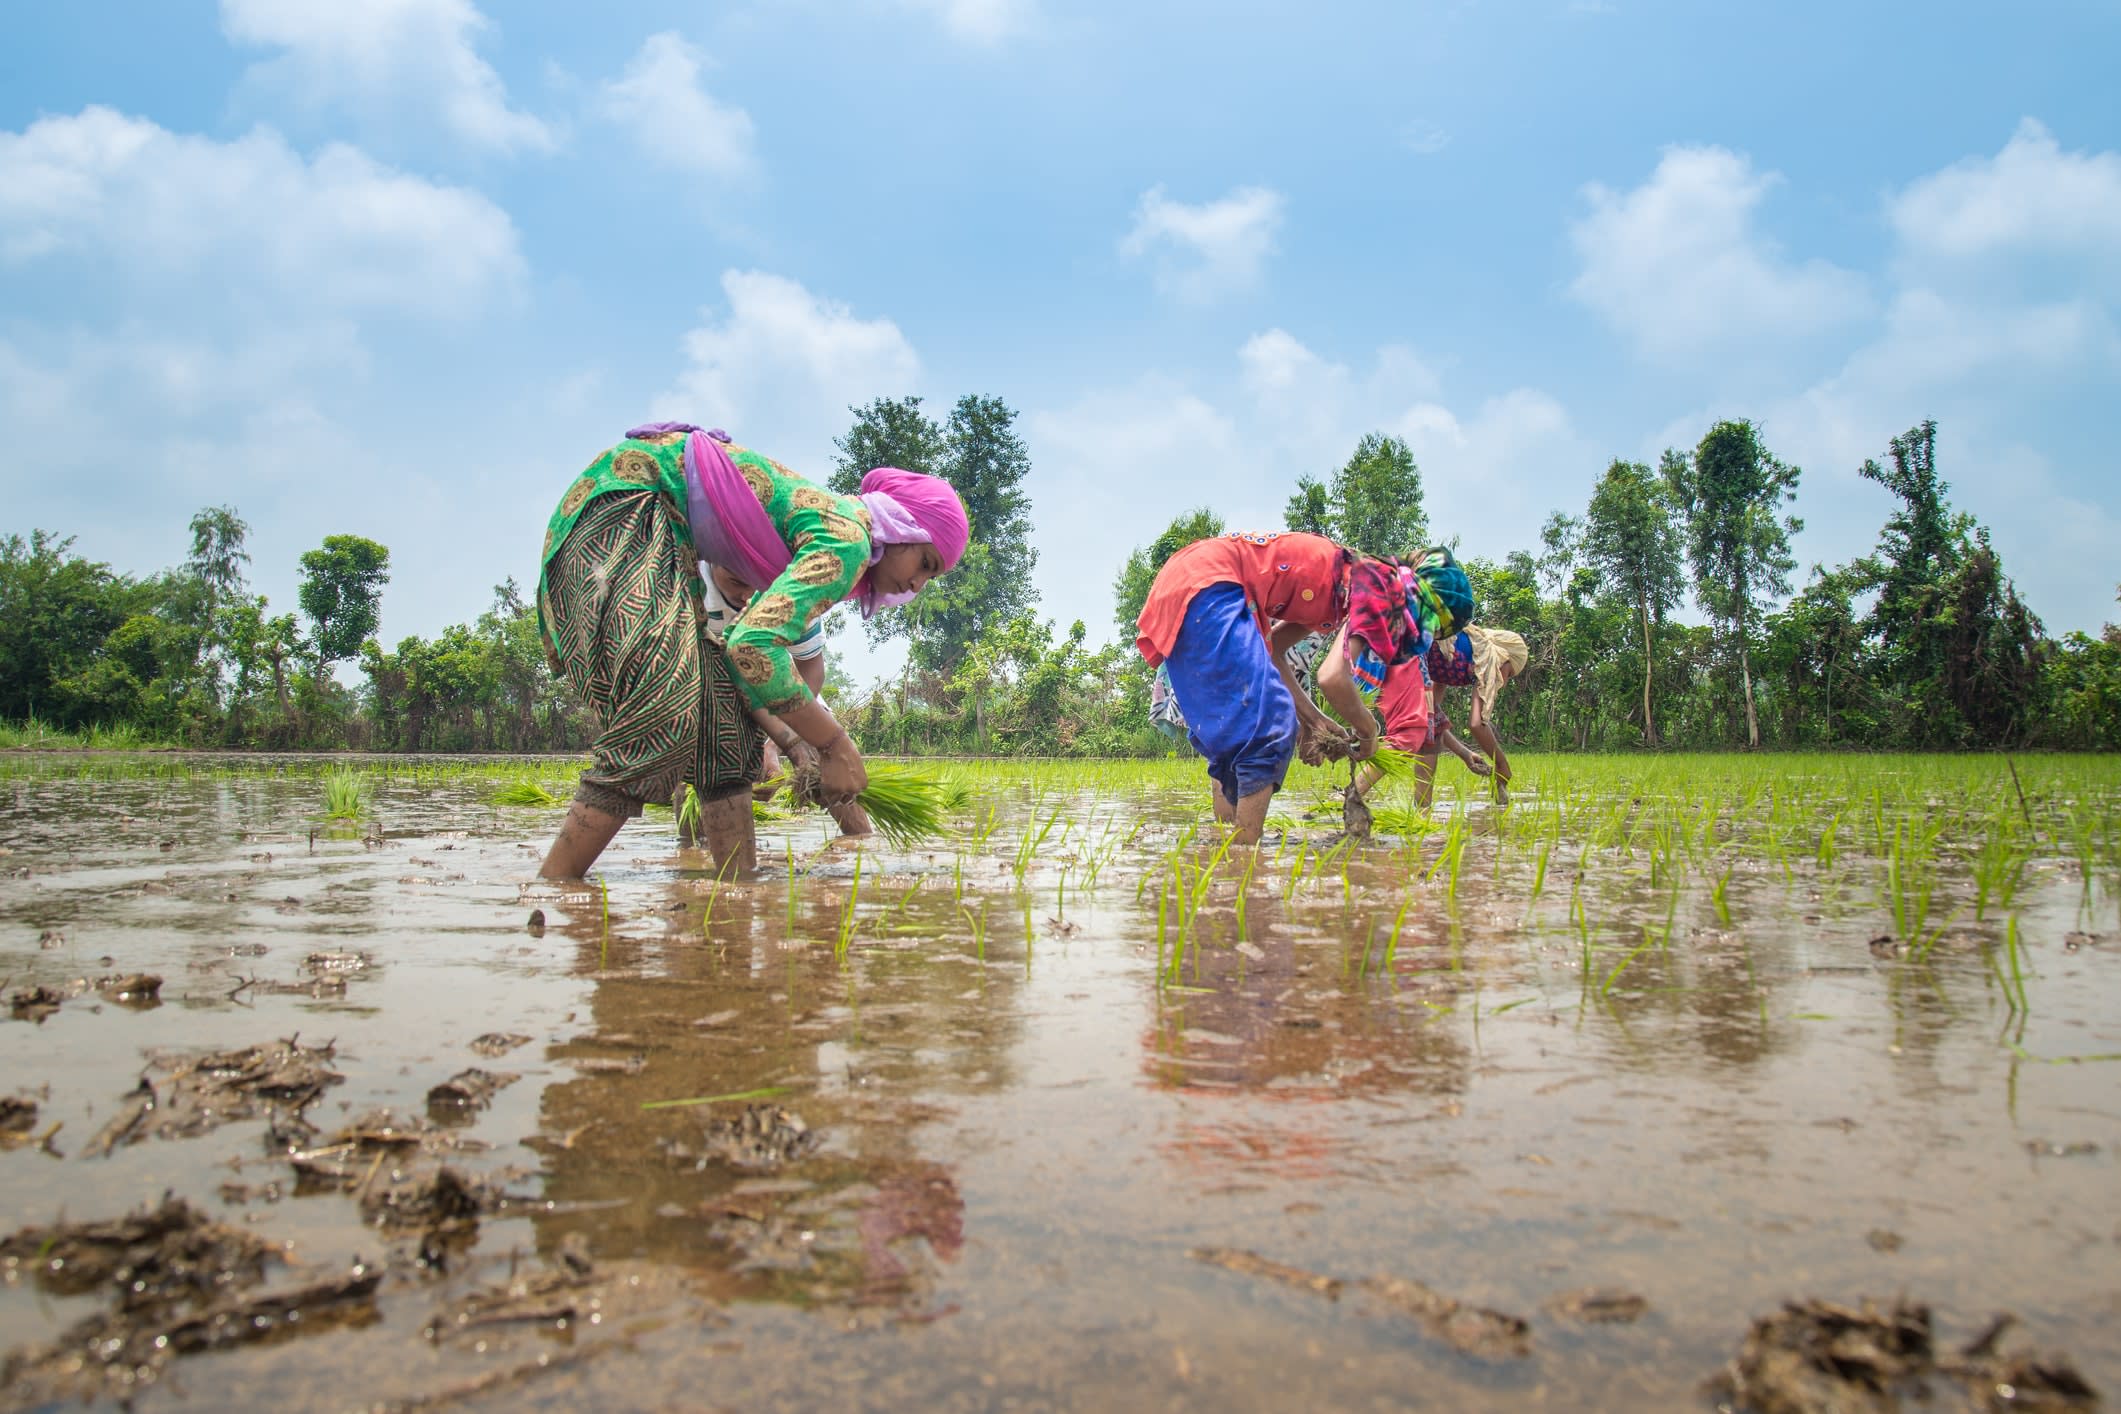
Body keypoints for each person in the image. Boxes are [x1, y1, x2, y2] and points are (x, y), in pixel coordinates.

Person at [535, 422, 967, 878]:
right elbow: (754, 647)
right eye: (925, 563)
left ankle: (736, 888)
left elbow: (746, 664)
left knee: (725, 732)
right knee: (665, 707)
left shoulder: (825, 538)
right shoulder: (849, 538)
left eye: (930, 579)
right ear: (902, 527)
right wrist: (836, 746)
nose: (918, 585)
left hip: (664, 531)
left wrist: (797, 744)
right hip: (628, 505)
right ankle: (554, 886)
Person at [1136, 531, 1365, 845]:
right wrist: (1368, 733)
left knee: (1232, 741)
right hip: (1210, 582)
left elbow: (1274, 652)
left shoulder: (1332, 590)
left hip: (1187, 580)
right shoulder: (1363, 587)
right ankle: (1244, 860)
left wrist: (1314, 720)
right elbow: (1333, 677)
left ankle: (1224, 859)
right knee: (1269, 721)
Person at [699, 560, 874, 839]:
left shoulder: (787, 583)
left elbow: (811, 671)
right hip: (707, 692)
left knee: (820, 749)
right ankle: (693, 851)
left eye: (752, 584)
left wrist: (774, 745)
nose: (746, 596)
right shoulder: (691, 583)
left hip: (774, 690)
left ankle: (861, 843)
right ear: (712, 560)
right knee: (702, 763)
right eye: (735, 582)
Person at [1414, 625, 1528, 807]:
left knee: (1424, 733)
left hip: (1409, 652)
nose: (1505, 682)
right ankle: (1420, 813)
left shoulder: (1456, 655)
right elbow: (1476, 724)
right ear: (1503, 658)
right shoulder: (1486, 659)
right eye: (1509, 674)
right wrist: (1502, 765)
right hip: (1411, 649)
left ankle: (1421, 815)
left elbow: (1432, 720)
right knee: (1404, 741)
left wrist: (1465, 753)